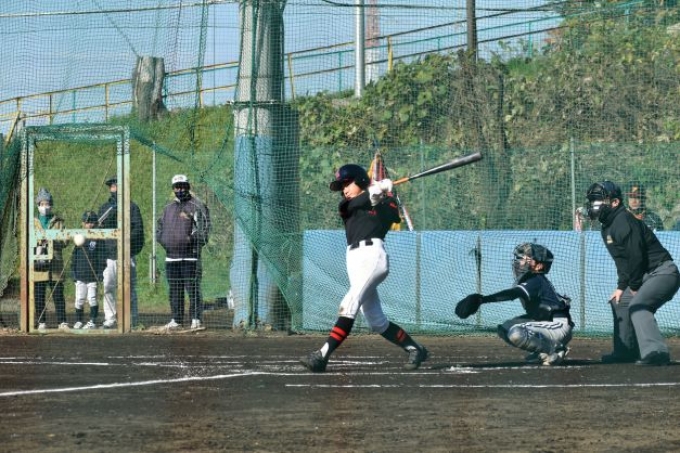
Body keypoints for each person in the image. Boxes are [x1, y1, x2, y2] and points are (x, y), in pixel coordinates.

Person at [300, 164, 428, 372]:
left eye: (347, 184)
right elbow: (357, 203)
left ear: (360, 180)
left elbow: (392, 216)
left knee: (348, 304)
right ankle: (415, 348)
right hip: (354, 261)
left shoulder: (380, 199)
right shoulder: (347, 206)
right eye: (342, 186)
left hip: (373, 257)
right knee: (377, 321)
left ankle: (321, 356)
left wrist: (385, 196)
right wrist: (373, 192)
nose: (344, 190)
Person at [585, 181, 680, 365]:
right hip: (646, 275)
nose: (594, 205)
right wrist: (622, 287)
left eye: (599, 200)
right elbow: (622, 261)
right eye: (593, 201)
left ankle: (656, 352)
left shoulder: (623, 220)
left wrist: (634, 285)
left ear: (615, 202)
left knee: (639, 305)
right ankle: (625, 352)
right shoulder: (607, 227)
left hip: (663, 273)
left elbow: (636, 256)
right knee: (619, 301)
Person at [455, 243, 574, 366]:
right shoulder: (532, 279)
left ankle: (555, 349)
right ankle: (541, 351)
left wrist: (483, 300)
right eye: (520, 258)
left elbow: (512, 294)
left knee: (516, 333)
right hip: (547, 323)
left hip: (557, 325)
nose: (519, 262)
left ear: (539, 266)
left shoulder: (536, 279)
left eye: (525, 259)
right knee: (505, 329)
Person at [157, 174, 210, 331]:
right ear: (173, 189)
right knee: (175, 290)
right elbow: (159, 229)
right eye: (177, 187)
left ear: (188, 187)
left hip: (190, 257)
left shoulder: (197, 206)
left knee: (192, 288)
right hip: (171, 258)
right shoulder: (168, 208)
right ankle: (176, 319)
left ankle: (196, 319)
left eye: (182, 186)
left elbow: (204, 231)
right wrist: (165, 242)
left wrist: (191, 241)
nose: (180, 190)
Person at [98, 176, 145, 329]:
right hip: (109, 255)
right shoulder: (105, 208)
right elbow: (98, 229)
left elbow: (138, 229)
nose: (115, 188)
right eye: (112, 186)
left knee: (129, 288)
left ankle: (132, 319)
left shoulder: (132, 207)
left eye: (117, 185)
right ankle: (110, 318)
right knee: (108, 287)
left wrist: (126, 241)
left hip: (127, 254)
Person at [33, 188, 68, 331]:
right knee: (39, 295)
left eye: (47, 203)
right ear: (38, 205)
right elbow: (27, 241)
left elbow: (65, 241)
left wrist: (53, 240)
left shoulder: (58, 222)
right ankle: (41, 321)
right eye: (42, 204)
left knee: (58, 294)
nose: (44, 206)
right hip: (38, 263)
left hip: (55, 264)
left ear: (51, 205)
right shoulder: (32, 222)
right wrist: (39, 241)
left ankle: (62, 322)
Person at [70, 211, 105, 329]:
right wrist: (73, 272)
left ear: (95, 223)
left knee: (92, 299)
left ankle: (92, 321)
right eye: (86, 222)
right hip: (80, 275)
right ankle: (79, 320)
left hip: (92, 276)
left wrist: (100, 272)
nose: (89, 225)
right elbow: (74, 256)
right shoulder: (79, 237)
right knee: (79, 299)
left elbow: (101, 257)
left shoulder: (98, 238)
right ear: (83, 223)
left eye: (91, 222)